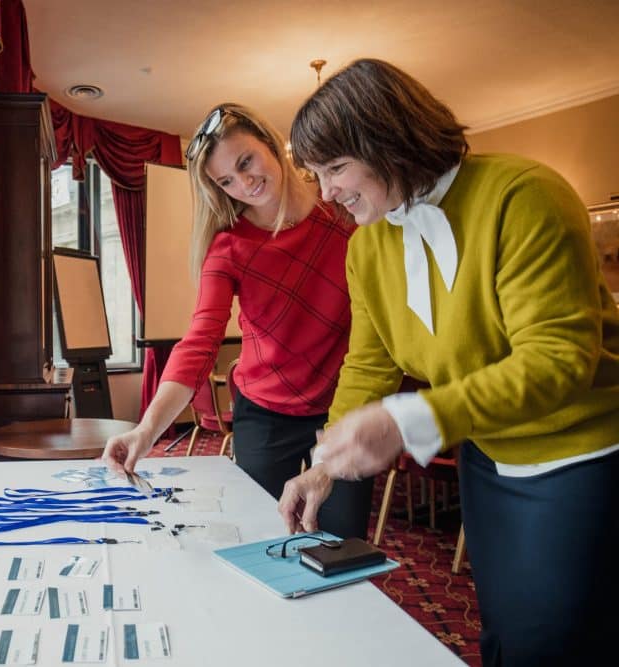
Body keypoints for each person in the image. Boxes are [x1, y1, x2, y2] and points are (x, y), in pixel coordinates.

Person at [281, 58, 619, 666]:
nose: (325, 192)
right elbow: (369, 364)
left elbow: (556, 361)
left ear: (387, 141)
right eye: (316, 172)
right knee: (503, 624)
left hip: (582, 453)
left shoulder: (526, 194)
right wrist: (323, 464)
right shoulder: (366, 248)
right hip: (488, 455)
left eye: (335, 168)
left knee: (562, 638)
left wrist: (410, 419)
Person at [102, 102, 374, 539]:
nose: (244, 184)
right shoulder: (228, 248)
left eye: (245, 161)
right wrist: (148, 429)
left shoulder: (345, 217)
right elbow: (198, 343)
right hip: (265, 412)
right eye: (226, 180)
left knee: (343, 544)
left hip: (344, 404)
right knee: (265, 537)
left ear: (271, 142)